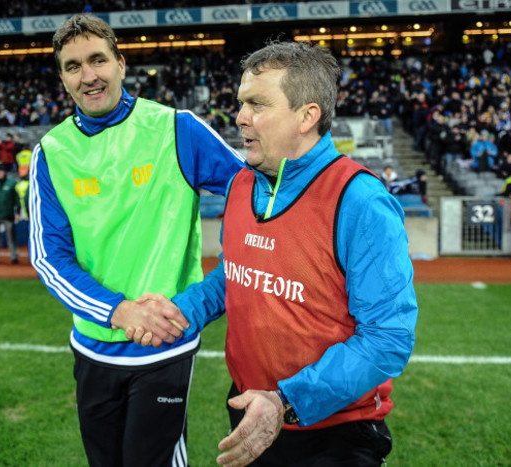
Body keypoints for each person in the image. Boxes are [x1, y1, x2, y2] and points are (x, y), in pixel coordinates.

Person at [132, 41, 418, 466]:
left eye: (257, 104)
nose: (240, 117)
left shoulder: (358, 200)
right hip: (250, 409)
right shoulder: (241, 184)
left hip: (334, 434)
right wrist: (179, 311)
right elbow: (236, 274)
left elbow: (388, 339)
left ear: (307, 116)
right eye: (241, 103)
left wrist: (286, 401)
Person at [28, 13, 244, 467]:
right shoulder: (51, 153)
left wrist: (217, 286)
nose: (88, 76)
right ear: (63, 78)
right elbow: (50, 259)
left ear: (121, 65)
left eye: (97, 60)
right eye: (73, 66)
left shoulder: (176, 128)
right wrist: (118, 310)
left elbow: (250, 194)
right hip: (93, 343)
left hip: (164, 341)